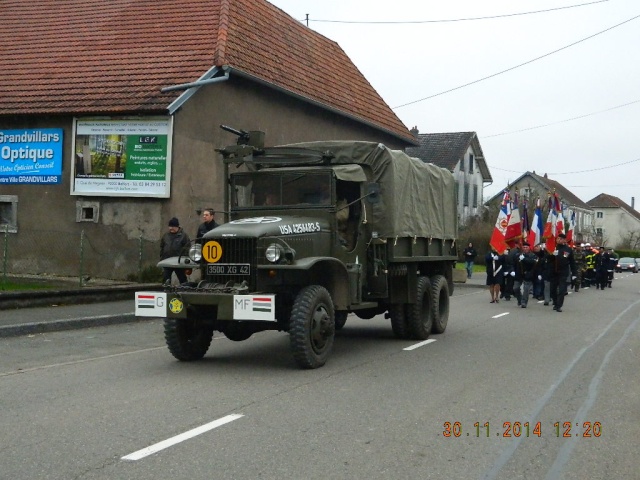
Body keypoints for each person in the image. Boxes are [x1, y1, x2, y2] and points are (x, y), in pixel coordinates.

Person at [548, 233, 576, 313]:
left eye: (560, 239)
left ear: (564, 240)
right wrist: (552, 255)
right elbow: (547, 259)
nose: (558, 240)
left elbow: (572, 262)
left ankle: (559, 306)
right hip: (553, 272)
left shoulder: (568, 249)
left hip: (563, 272)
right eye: (558, 238)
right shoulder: (553, 248)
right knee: (552, 290)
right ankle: (556, 302)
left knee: (562, 290)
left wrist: (574, 274)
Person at [160, 217, 190, 285]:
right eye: (170, 226)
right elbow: (162, 247)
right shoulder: (165, 236)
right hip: (167, 261)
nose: (171, 228)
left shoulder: (184, 236)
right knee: (166, 278)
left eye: (173, 226)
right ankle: (166, 290)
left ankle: (185, 289)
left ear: (177, 227)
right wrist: (162, 258)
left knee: (182, 279)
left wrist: (185, 261)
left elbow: (187, 249)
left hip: (179, 262)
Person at [514, 242, 538, 308]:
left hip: (528, 274)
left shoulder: (533, 255)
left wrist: (524, 259)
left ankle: (524, 302)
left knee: (526, 289)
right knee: (515, 288)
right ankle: (520, 299)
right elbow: (514, 264)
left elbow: (532, 262)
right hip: (519, 274)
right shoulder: (518, 255)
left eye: (526, 247)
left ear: (529, 248)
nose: (525, 249)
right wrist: (512, 271)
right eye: (524, 247)